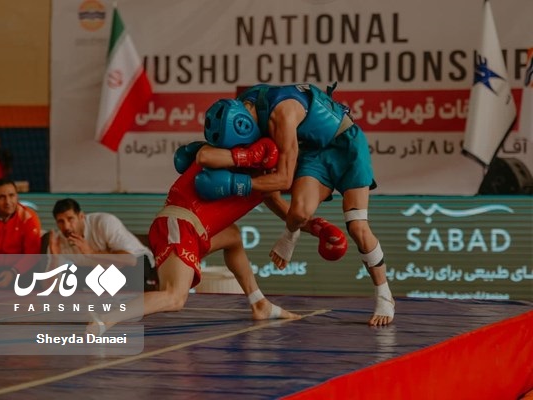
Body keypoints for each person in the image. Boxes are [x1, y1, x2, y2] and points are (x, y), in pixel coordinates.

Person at [86, 138, 346, 336]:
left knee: (233, 237)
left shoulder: (271, 178)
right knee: (174, 297)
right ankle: (104, 318)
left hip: (193, 229)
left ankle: (259, 303)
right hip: (180, 223)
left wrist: (318, 228)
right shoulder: (251, 153)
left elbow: (287, 213)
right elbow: (205, 155)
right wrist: (244, 155)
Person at [198, 84, 395, 327]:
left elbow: (282, 180)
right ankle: (292, 233)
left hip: (347, 146)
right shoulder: (247, 109)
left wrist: (235, 184)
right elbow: (268, 193)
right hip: (315, 152)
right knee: (299, 212)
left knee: (357, 227)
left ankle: (384, 294)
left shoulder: (282, 115)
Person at [46, 198, 156, 291]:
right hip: (103, 271)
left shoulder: (104, 222)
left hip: (138, 262)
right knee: (70, 277)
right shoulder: (58, 242)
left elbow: (130, 260)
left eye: (70, 219)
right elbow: (48, 287)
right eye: (61, 222)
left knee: (133, 275)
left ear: (81, 216)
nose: (66, 227)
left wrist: (91, 253)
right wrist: (55, 258)